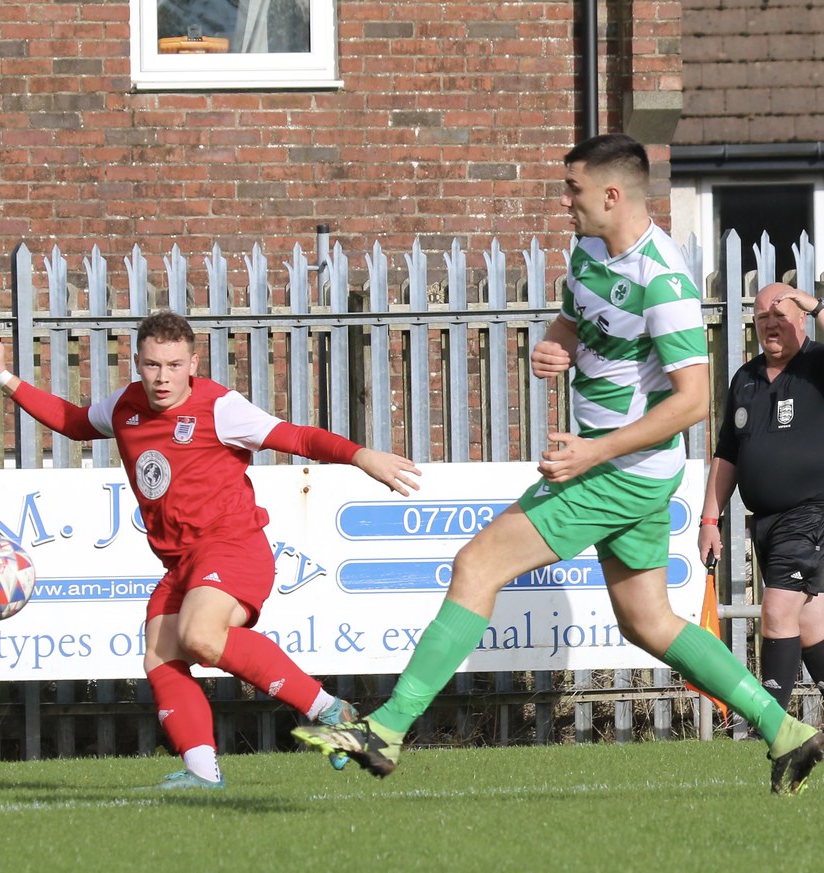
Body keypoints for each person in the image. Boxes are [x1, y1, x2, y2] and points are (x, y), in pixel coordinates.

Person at [293, 132, 824, 796]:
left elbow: (692, 403)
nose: (564, 201)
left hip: (616, 471)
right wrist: (555, 346)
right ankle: (784, 729)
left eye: (573, 189)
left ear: (612, 194)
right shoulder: (588, 252)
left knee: (476, 564)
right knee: (648, 621)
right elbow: (574, 323)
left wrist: (593, 451)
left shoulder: (662, 280)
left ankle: (388, 727)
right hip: (623, 468)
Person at [0, 312, 420, 789]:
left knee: (200, 636)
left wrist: (361, 456)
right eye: (152, 365)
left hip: (233, 546)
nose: (162, 377)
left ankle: (331, 712)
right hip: (181, 563)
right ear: (137, 363)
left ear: (193, 363)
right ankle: (203, 772)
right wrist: (2, 375)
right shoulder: (126, 406)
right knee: (160, 655)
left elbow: (297, 437)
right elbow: (73, 422)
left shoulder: (221, 408)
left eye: (173, 365)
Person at [699, 283, 824, 712]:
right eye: (763, 316)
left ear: (802, 318)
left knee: (776, 611)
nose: (771, 324)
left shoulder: (816, 364)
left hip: (811, 514)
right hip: (766, 522)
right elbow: (727, 453)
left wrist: (813, 302)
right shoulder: (745, 378)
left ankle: (771, 728)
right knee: (810, 624)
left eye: (781, 315)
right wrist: (710, 520)